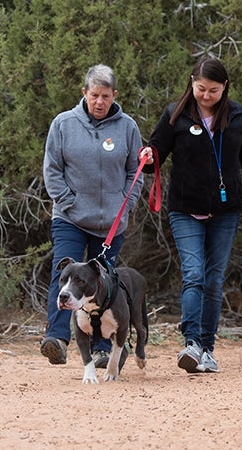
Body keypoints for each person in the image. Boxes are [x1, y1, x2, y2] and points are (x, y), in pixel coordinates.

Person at [140, 58, 242, 373]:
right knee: (194, 275)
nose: (206, 95)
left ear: (225, 87)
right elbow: (155, 154)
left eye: (213, 90)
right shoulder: (176, 115)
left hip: (226, 212)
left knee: (213, 280)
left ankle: (207, 349)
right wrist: (148, 157)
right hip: (185, 209)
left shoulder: (238, 116)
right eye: (201, 88)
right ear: (192, 82)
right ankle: (191, 343)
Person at [41, 64, 143, 369]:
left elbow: (135, 173)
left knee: (105, 283)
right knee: (66, 272)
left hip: (111, 224)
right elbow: (52, 169)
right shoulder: (63, 124)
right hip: (70, 218)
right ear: (84, 92)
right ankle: (57, 338)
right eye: (94, 95)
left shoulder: (128, 127)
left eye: (106, 96)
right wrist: (68, 201)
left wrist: (123, 206)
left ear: (115, 95)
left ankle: (102, 347)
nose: (100, 102)